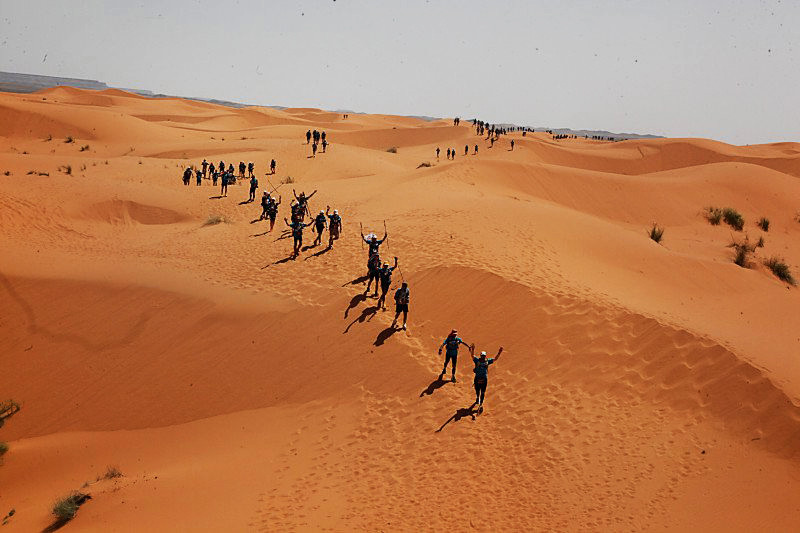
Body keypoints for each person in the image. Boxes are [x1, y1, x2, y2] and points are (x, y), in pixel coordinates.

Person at [472, 347, 504, 411]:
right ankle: (478, 398)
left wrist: (499, 353)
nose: (483, 357)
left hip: (483, 378)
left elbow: (495, 359)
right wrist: (472, 350)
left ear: (485, 356)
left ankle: (480, 404)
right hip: (479, 378)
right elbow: (472, 356)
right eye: (482, 356)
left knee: (483, 391)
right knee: (478, 390)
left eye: (484, 356)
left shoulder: (487, 361)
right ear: (481, 356)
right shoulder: (477, 360)